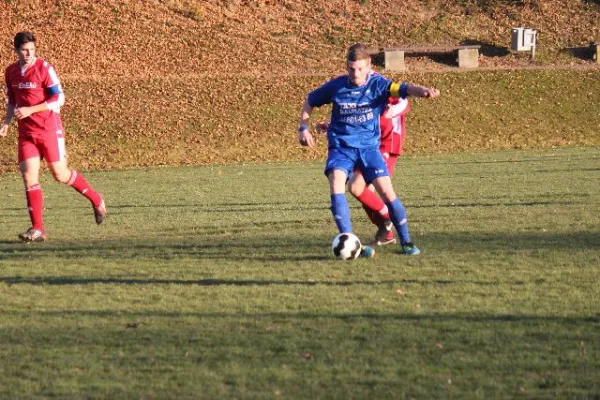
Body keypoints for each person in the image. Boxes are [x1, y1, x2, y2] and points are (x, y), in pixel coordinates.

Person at [298, 43, 439, 255]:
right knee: (337, 182)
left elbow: (403, 88)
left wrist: (424, 91)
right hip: (341, 148)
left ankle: (407, 241)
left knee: (387, 191)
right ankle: (351, 241)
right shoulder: (336, 86)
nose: (356, 73)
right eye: (351, 68)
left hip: (368, 149)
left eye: (360, 69)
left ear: (369, 66)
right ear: (347, 67)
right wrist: (303, 128)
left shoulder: (378, 84)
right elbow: (310, 100)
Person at [0, 31, 106, 242]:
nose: (29, 53)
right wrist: (6, 122)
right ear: (16, 50)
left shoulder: (44, 69)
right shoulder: (10, 71)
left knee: (60, 174)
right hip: (26, 133)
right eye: (24, 49)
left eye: (32, 49)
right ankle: (38, 228)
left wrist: (31, 110)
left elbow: (59, 98)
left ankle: (96, 198)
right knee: (29, 176)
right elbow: (12, 100)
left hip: (49, 129)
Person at [316, 95, 410, 247]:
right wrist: (331, 127)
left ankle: (387, 219)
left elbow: (403, 102)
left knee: (356, 186)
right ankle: (388, 234)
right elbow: (356, 119)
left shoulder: (382, 88)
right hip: (366, 145)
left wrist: (386, 110)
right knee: (366, 193)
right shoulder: (359, 91)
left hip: (386, 145)